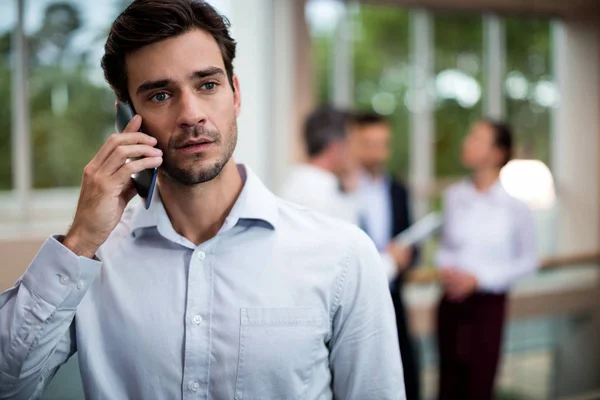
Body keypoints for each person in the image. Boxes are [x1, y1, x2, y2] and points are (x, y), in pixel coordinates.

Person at [0, 1, 406, 399]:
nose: (191, 114)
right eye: (160, 95)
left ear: (235, 94)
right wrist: (80, 241)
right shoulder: (92, 263)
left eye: (207, 84)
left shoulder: (343, 255)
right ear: (126, 117)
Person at [435, 119, 538, 400]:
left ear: (497, 153)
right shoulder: (454, 196)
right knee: (447, 382)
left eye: (477, 138)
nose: (467, 142)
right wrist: (447, 268)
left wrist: (479, 279)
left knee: (479, 384)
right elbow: (446, 247)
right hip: (451, 301)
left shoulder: (515, 207)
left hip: (487, 306)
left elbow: (528, 261)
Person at [351, 112, 420, 400]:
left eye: (383, 143)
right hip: (353, 303)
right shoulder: (342, 191)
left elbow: (413, 244)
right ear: (353, 143)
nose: (377, 151)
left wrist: (406, 257)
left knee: (405, 375)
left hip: (393, 300)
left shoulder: (398, 190)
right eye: (369, 143)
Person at [280, 106, 358, 224]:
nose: (358, 152)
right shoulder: (324, 194)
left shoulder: (300, 183)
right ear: (336, 148)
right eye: (354, 143)